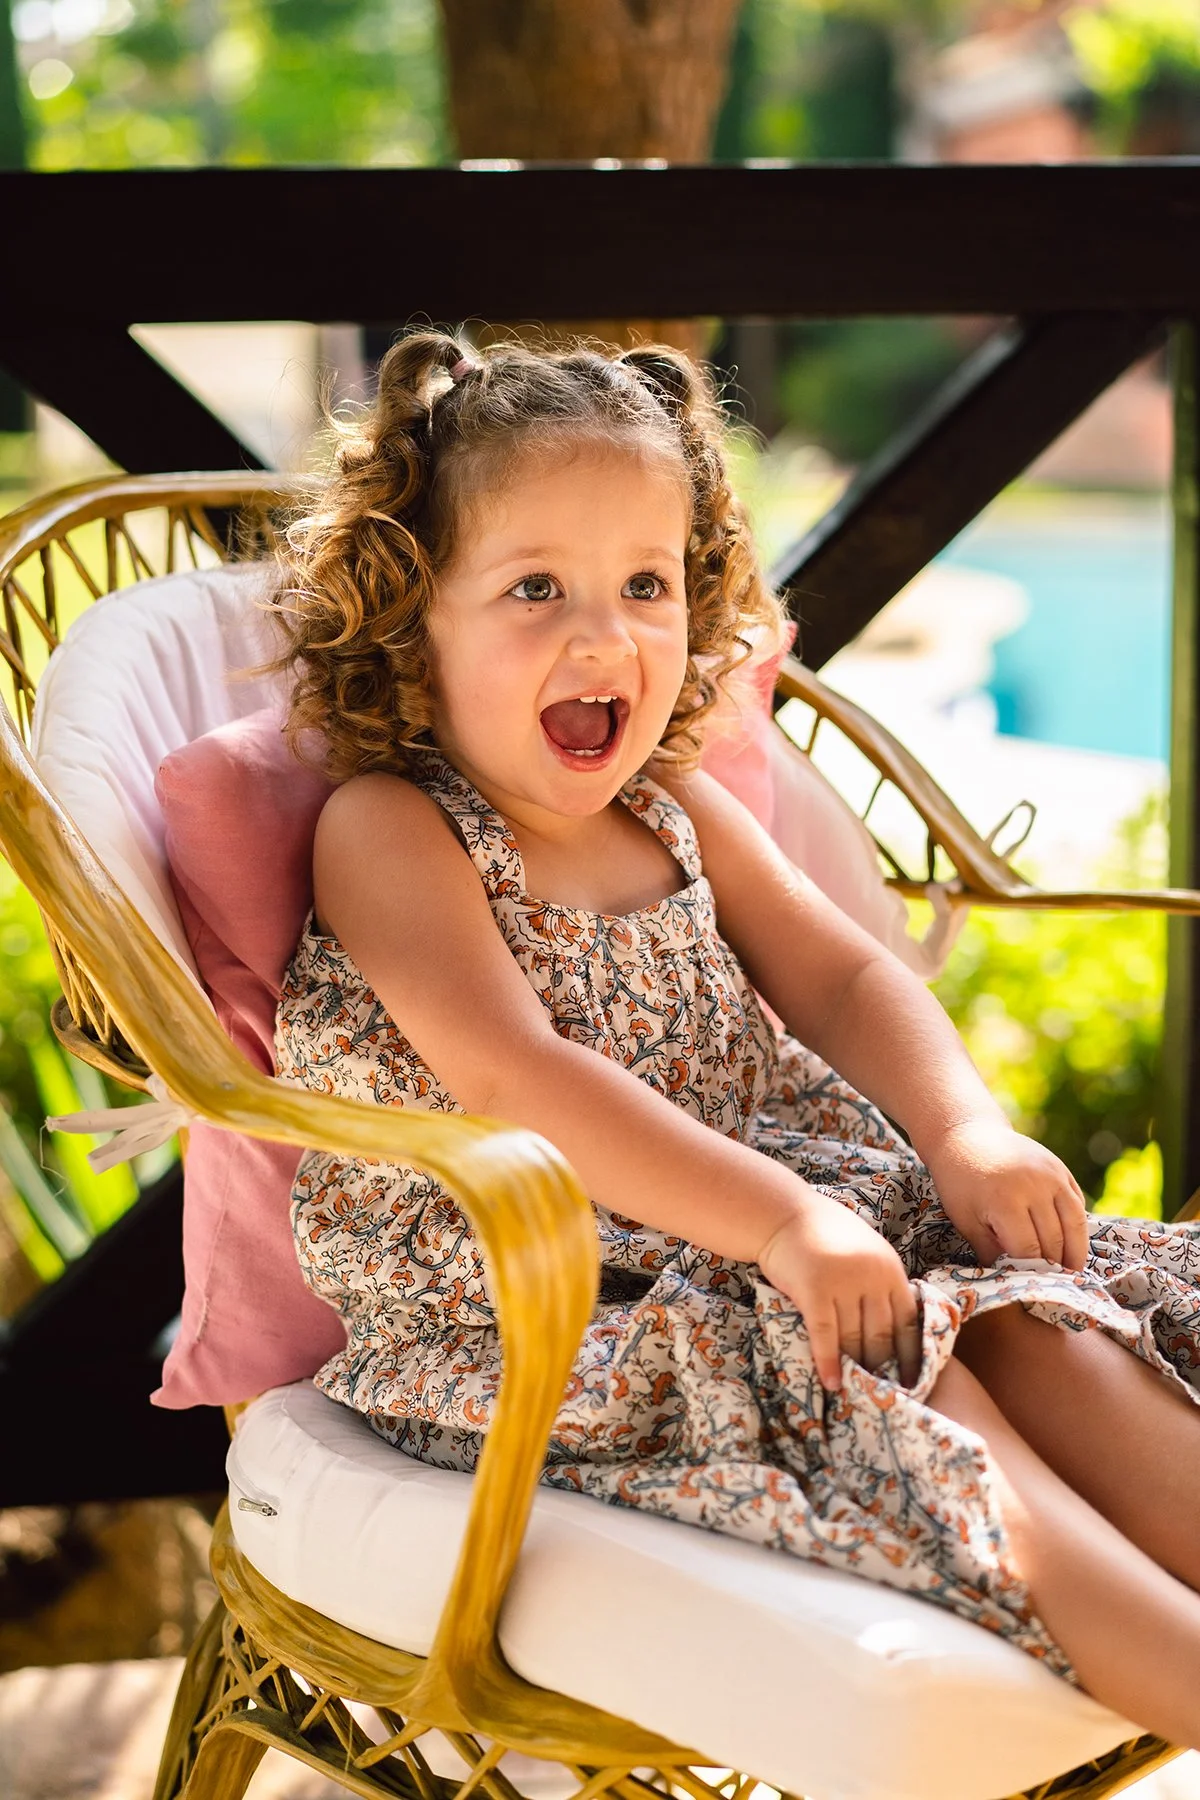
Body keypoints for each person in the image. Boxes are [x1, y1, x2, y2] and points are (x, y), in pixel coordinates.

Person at [270, 329, 1200, 1748]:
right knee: (925, 1403)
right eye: (535, 588)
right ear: (411, 618)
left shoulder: (675, 805)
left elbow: (843, 977)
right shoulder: (393, 829)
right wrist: (781, 1221)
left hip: (785, 1232)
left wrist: (964, 1132)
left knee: (1039, 1327)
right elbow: (521, 1078)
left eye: (646, 586)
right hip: (557, 1303)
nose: (605, 638)